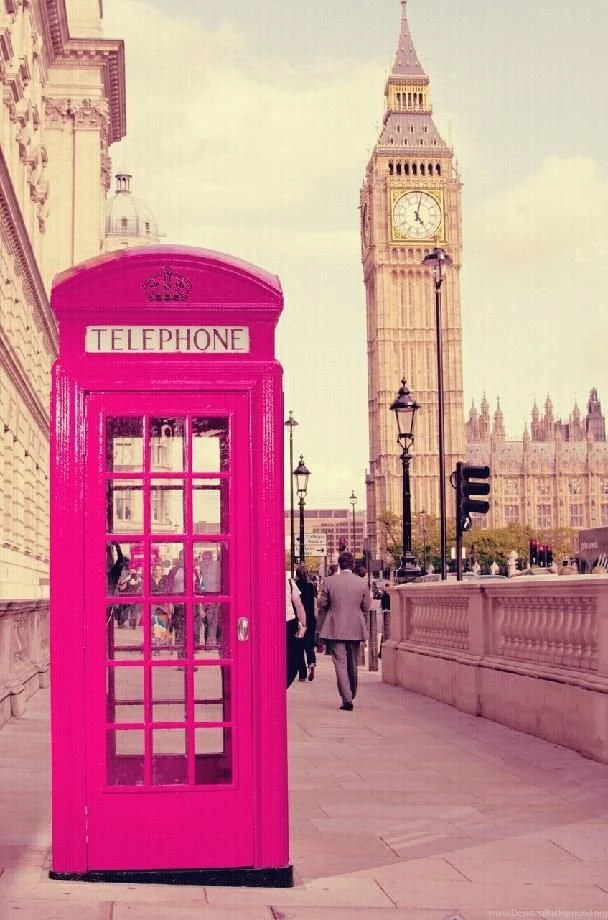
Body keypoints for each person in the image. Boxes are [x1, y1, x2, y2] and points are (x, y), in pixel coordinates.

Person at [316, 551, 370, 711]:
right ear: (353, 565)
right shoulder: (361, 583)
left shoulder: (329, 581)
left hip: (335, 627)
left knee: (340, 663)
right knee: (353, 662)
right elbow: (366, 606)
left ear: (339, 564)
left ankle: (347, 698)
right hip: (355, 626)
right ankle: (351, 691)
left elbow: (322, 604)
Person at [295, 564, 317, 682]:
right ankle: (312, 663)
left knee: (299, 646)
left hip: (299, 620)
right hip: (310, 619)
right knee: (309, 645)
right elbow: (314, 603)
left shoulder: (295, 585)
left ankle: (302, 673)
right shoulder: (311, 586)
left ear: (297, 574)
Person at [286, 573, 307, 688]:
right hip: (289, 623)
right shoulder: (289, 581)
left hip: (266, 625)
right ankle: (283, 685)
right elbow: (299, 605)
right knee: (293, 658)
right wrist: (303, 625)